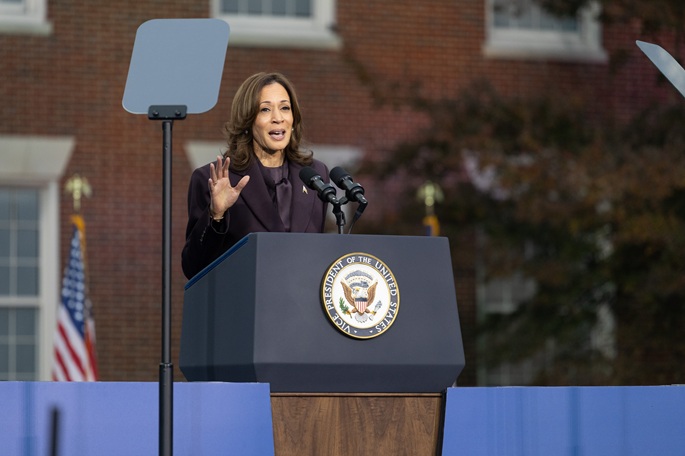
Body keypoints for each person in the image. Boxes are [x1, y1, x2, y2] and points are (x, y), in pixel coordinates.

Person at [181, 72, 329, 279]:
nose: (278, 118)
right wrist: (216, 215)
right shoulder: (214, 179)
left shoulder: (315, 175)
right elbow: (193, 268)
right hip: (245, 297)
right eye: (265, 109)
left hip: (301, 296)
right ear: (248, 120)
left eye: (285, 108)